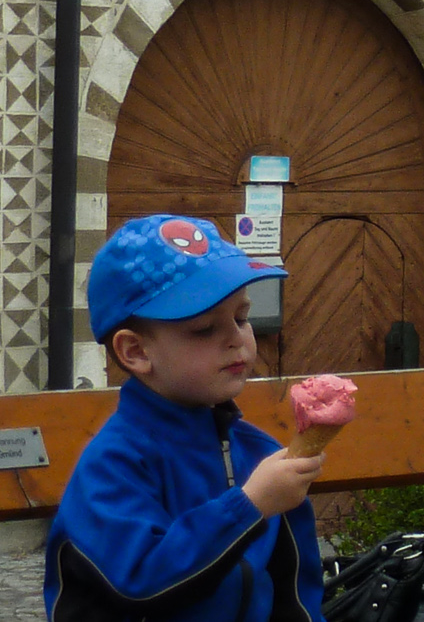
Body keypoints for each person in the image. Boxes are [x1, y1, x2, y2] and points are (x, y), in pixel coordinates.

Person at [46, 215, 324, 622]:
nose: (236, 338)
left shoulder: (262, 457)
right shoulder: (112, 465)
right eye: (204, 328)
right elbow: (140, 583)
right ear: (136, 352)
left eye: (242, 317)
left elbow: (296, 592)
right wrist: (248, 507)